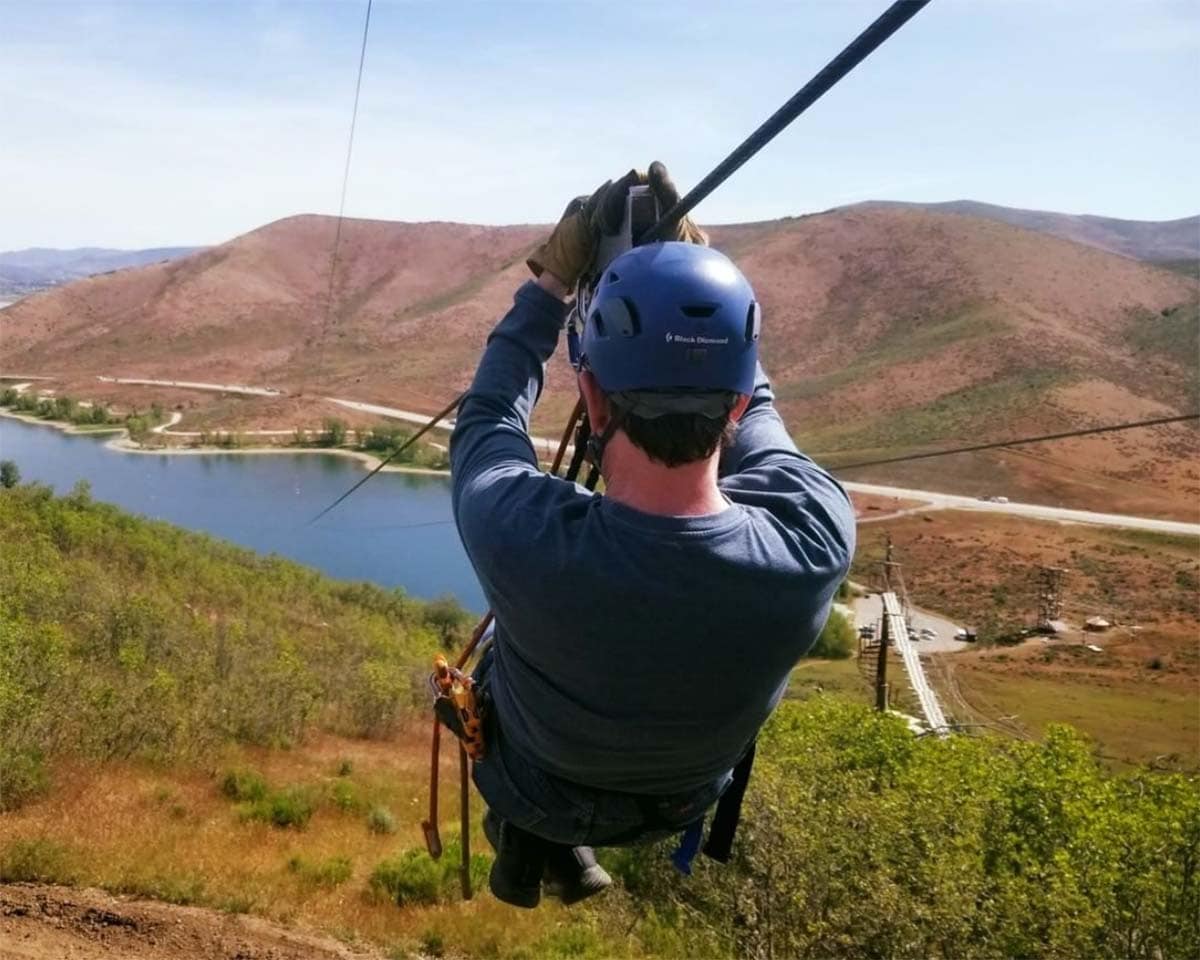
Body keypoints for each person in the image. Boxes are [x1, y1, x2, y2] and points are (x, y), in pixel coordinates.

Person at [449, 162, 855, 908]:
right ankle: (547, 847)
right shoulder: (813, 538)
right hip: (679, 800)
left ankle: (528, 842)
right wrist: (702, 287)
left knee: (505, 672)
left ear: (593, 397)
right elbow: (760, 414)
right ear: (732, 407)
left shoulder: (523, 536)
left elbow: (488, 417)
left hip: (533, 776)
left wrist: (549, 285)